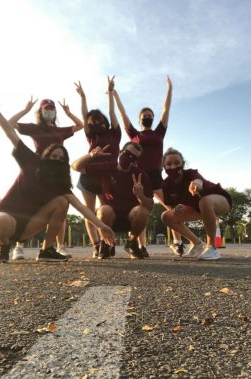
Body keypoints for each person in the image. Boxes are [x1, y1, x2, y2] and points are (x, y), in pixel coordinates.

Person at [0, 105, 115, 263]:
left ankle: (46, 250)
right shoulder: (30, 160)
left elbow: (81, 207)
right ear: (46, 155)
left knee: (62, 202)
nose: (56, 160)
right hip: (7, 218)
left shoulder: (59, 184)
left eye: (61, 159)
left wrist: (101, 226)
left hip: (30, 225)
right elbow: (9, 131)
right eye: (54, 156)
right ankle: (4, 246)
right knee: (1, 221)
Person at [8, 95, 84, 260]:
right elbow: (10, 123)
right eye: (46, 108)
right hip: (36, 169)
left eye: (52, 109)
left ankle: (59, 246)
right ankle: (18, 247)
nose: (49, 111)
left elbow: (80, 125)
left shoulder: (59, 131)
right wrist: (26, 109)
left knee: (62, 204)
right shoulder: (35, 128)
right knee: (29, 204)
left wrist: (69, 113)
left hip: (56, 172)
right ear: (40, 112)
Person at [112, 75, 181, 256]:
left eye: (150, 116)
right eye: (145, 116)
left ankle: (177, 242)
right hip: (138, 176)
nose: (148, 117)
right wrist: (114, 93)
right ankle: (140, 246)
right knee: (140, 209)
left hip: (156, 175)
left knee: (171, 207)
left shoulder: (159, 132)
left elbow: (166, 109)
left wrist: (170, 90)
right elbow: (123, 114)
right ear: (140, 118)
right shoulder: (133, 133)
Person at [71, 141, 154, 259]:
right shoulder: (107, 167)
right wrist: (91, 155)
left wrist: (141, 196)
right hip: (110, 218)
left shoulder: (141, 175)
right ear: (120, 152)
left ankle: (132, 242)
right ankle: (106, 244)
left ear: (137, 161)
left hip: (131, 219)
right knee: (104, 210)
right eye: (127, 154)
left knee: (142, 211)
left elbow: (150, 206)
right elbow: (75, 166)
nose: (129, 158)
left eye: (134, 158)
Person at [74, 76, 121, 258]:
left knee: (105, 211)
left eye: (100, 119)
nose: (97, 122)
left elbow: (111, 112)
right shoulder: (91, 136)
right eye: (94, 120)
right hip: (88, 173)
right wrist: (83, 98)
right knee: (89, 211)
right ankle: (97, 244)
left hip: (107, 175)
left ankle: (108, 242)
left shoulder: (115, 133)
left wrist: (110, 93)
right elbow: (84, 117)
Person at [160, 148, 232, 260]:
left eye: (177, 163)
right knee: (166, 216)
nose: (173, 167)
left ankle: (211, 247)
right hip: (198, 208)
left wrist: (196, 184)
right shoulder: (165, 184)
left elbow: (197, 180)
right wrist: (176, 210)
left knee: (204, 201)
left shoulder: (191, 173)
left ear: (183, 164)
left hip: (220, 200)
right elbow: (172, 208)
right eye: (169, 164)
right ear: (163, 166)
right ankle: (197, 244)